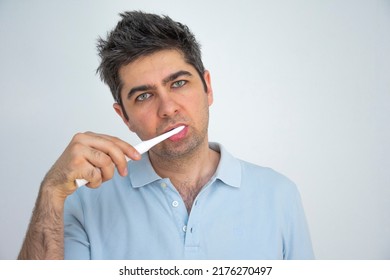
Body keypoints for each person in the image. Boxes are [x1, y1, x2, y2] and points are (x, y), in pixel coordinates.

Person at [18, 11, 314, 260]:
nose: (168, 108)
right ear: (124, 116)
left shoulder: (279, 195)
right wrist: (51, 193)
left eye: (179, 83)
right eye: (144, 96)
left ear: (207, 88)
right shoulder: (85, 203)